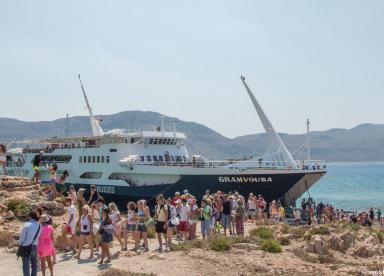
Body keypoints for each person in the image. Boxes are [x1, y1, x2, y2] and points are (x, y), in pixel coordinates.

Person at [19, 211, 42, 276]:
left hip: (26, 247)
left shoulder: (27, 224)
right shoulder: (39, 224)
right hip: (35, 246)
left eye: (28, 216)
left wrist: (20, 242)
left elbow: (22, 236)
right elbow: (39, 235)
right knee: (34, 264)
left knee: (26, 265)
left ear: (30, 216)